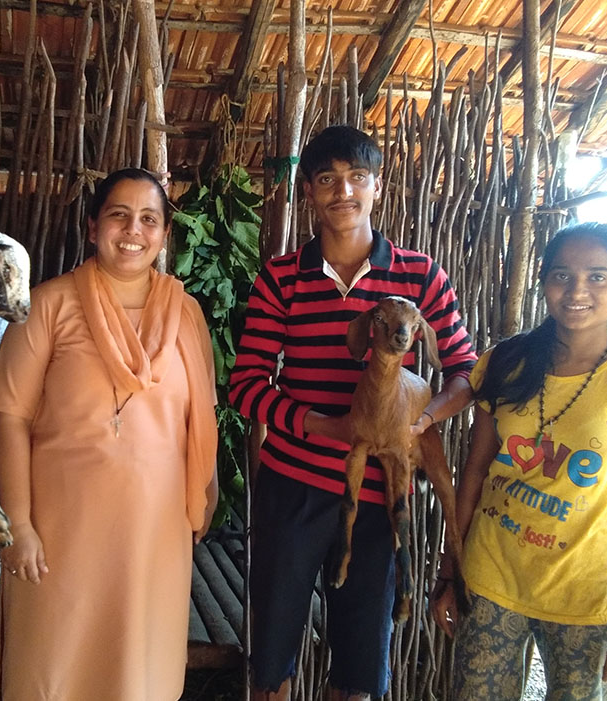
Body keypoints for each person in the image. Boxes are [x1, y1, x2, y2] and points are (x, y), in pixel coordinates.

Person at [229, 124, 479, 701]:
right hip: (292, 488)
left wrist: (420, 421)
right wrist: (323, 426)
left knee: (361, 671)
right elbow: (245, 386)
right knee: (270, 665)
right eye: (327, 180)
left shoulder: (420, 276)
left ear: (377, 186)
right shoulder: (281, 277)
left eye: (357, 178)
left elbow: (465, 372)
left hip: (377, 502)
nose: (344, 192)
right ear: (309, 194)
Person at [0, 167, 219, 700]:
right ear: (93, 227)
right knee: (53, 659)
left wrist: (207, 493)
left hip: (155, 531)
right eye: (119, 215)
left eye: (149, 219)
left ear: (163, 234)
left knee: (137, 665)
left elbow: (200, 414)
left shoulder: (187, 315)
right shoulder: (49, 305)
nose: (133, 230)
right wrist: (17, 524)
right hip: (61, 529)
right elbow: (10, 416)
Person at [431, 222, 607, 700]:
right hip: (491, 579)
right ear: (543, 280)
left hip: (585, 594)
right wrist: (451, 571)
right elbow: (477, 472)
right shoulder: (506, 362)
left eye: (597, 277)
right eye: (562, 276)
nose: (577, 291)